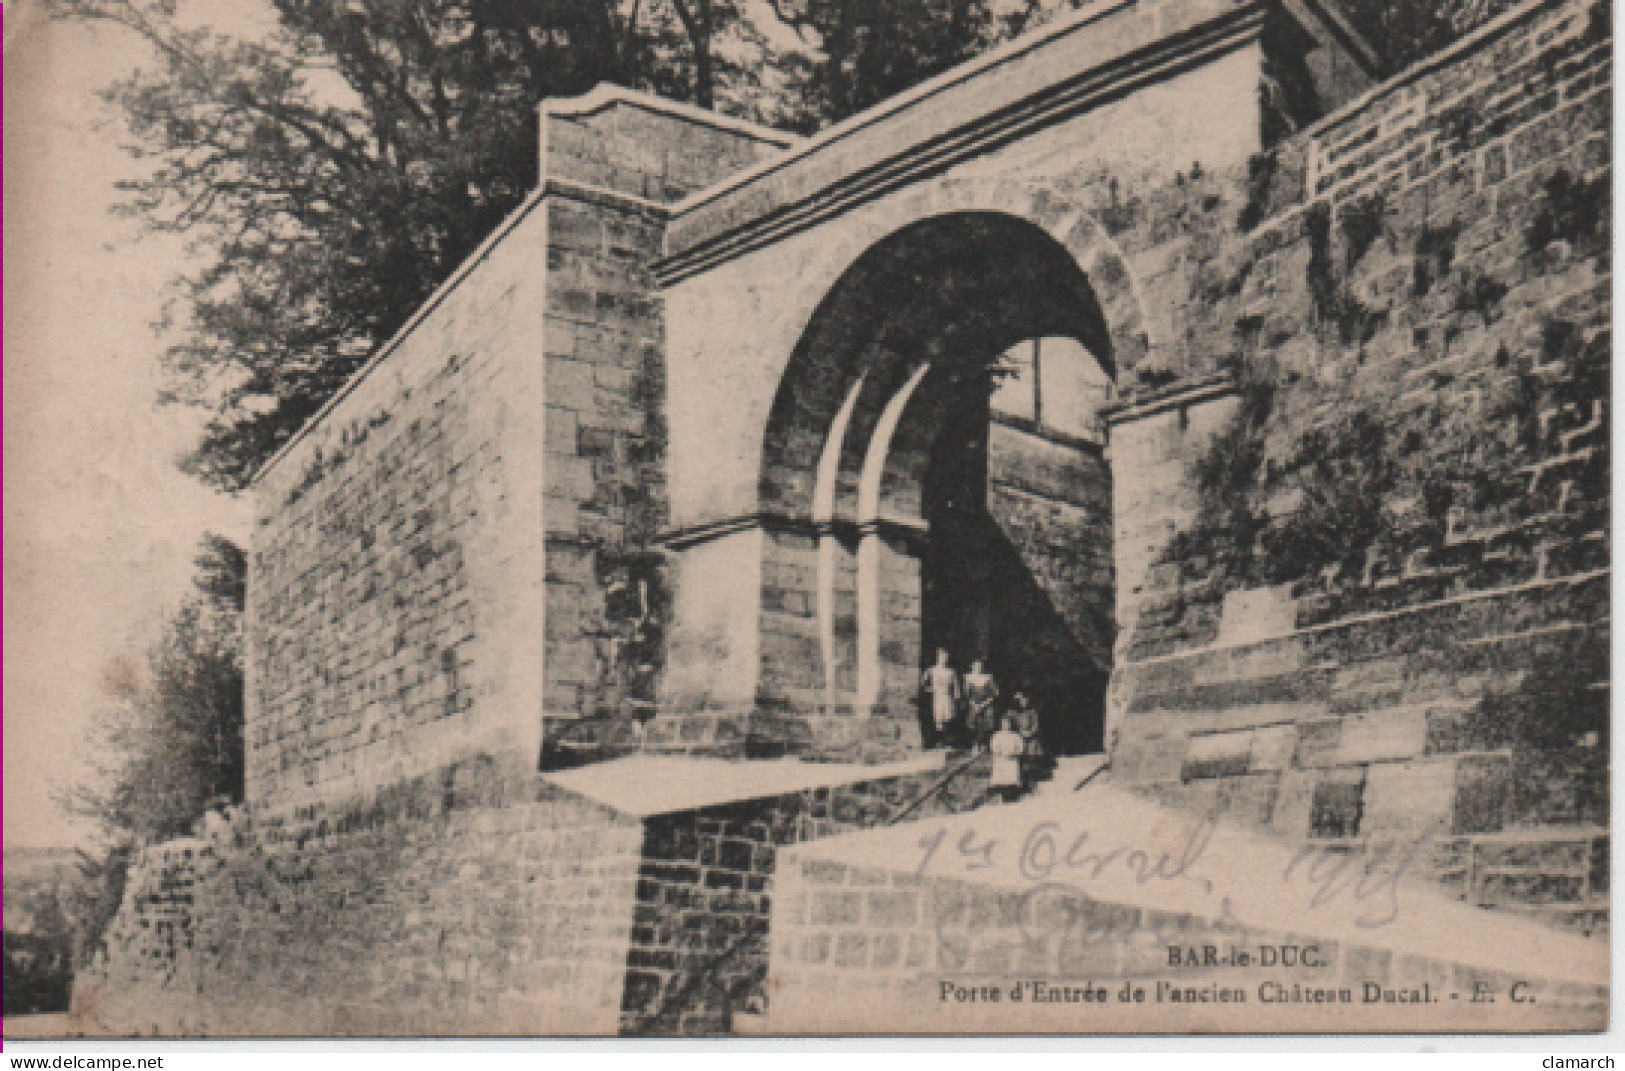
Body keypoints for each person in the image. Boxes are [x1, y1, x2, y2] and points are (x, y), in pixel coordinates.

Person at [920, 647, 961, 749]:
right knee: (937, 718)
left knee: (948, 718)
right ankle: (936, 740)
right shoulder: (932, 670)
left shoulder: (951, 672)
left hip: (947, 697)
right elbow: (923, 683)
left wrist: (956, 697)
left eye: (946, 657)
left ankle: (946, 741)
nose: (945, 659)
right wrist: (929, 689)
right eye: (942, 656)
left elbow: (956, 687)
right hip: (937, 697)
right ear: (938, 657)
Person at [988, 715, 1026, 802]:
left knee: (1011, 776)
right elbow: (993, 747)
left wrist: (1014, 753)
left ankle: (1011, 795)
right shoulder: (997, 735)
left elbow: (1020, 747)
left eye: (1008, 724)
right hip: (1001, 759)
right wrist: (1000, 752)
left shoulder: (1015, 736)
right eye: (1004, 724)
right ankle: (1001, 793)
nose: (1006, 726)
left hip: (1011, 759)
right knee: (1001, 776)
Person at [963, 659, 1000, 750]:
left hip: (986, 703)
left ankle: (984, 743)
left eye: (980, 666)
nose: (978, 668)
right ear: (972, 666)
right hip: (973, 704)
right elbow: (966, 694)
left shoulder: (988, 677)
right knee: (973, 721)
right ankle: (975, 743)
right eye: (976, 666)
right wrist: (974, 704)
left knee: (987, 721)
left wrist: (984, 704)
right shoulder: (968, 677)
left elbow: (995, 693)